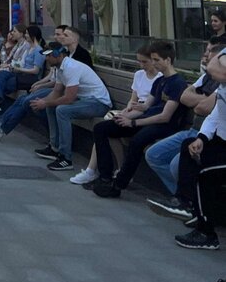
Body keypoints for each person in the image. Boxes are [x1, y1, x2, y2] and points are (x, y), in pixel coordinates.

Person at [92, 40, 188, 197]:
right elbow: (145, 106)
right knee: (101, 128)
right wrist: (124, 114)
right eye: (153, 59)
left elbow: (165, 117)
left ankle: (119, 185)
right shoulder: (159, 80)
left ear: (168, 60)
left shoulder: (177, 83)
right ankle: (105, 176)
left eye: (157, 60)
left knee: (137, 141)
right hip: (147, 119)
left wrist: (133, 122)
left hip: (163, 125)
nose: (154, 64)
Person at [145, 40, 220, 214]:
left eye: (210, 52)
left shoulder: (222, 83)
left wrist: (202, 99)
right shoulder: (206, 76)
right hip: (194, 130)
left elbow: (202, 108)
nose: (205, 56)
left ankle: (191, 204)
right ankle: (184, 199)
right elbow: (185, 96)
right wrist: (206, 99)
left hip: (210, 136)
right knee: (154, 155)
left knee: (175, 165)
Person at [12, 42, 113, 170]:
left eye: (49, 56)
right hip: (85, 100)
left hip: (98, 103)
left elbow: (69, 98)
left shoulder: (71, 68)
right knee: (52, 107)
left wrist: (45, 102)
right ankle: (54, 147)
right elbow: (57, 91)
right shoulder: (60, 68)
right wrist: (42, 102)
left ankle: (66, 158)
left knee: (62, 110)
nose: (46, 59)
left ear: (58, 55)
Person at [69, 45, 157, 185]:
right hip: (132, 111)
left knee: (104, 128)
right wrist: (125, 111)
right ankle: (112, 169)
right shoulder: (139, 74)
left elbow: (148, 106)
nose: (142, 65)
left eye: (145, 62)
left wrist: (127, 115)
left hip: (144, 115)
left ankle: (97, 170)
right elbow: (133, 98)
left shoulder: (159, 78)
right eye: (139, 62)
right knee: (106, 128)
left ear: (154, 60)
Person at [0, 25, 46, 113]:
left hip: (28, 77)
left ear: (33, 36)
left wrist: (19, 69)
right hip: (19, 73)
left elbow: (36, 71)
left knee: (2, 83)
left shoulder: (38, 51)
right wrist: (15, 67)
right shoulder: (29, 48)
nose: (25, 35)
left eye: (27, 34)